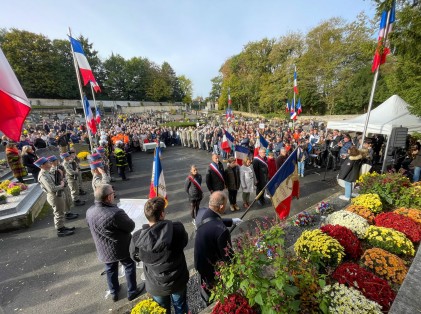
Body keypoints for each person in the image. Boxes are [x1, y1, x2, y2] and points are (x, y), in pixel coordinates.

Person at [130, 197, 189, 314]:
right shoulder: (177, 229)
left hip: (155, 283)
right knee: (180, 307)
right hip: (177, 279)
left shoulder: (137, 237)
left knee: (161, 310)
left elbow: (134, 256)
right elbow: (184, 242)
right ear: (162, 214)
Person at [86, 184, 144, 302]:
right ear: (108, 197)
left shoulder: (89, 211)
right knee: (128, 265)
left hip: (103, 248)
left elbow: (90, 226)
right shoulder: (116, 212)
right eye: (113, 193)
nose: (114, 194)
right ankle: (132, 291)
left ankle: (114, 292)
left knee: (110, 268)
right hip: (121, 247)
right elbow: (130, 226)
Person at [194, 191, 242, 304]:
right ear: (221, 206)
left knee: (205, 287)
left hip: (200, 261)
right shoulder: (221, 231)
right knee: (214, 293)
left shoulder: (202, 213)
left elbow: (211, 220)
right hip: (211, 268)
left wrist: (231, 221)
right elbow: (228, 256)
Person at [35, 157, 75, 237]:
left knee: (61, 212)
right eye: (47, 162)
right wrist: (62, 185)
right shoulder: (43, 175)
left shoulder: (48, 172)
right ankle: (60, 230)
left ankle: (62, 226)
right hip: (54, 196)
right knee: (58, 213)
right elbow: (51, 189)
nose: (49, 162)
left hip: (58, 194)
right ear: (42, 165)